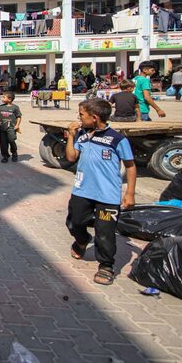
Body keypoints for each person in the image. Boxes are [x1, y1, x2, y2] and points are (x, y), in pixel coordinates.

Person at [65, 99, 136, 286]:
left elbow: (130, 166)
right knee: (75, 222)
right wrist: (71, 136)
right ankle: (82, 240)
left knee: (105, 232)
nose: (78, 118)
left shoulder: (118, 139)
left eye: (81, 115)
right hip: (82, 191)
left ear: (94, 118)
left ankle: (106, 265)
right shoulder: (81, 134)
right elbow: (71, 157)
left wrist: (130, 193)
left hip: (107, 195)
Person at [0, 91, 22, 163]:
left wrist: (17, 125)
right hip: (2, 128)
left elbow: (19, 117)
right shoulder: (0, 107)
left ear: (9, 99)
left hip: (11, 128)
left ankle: (14, 153)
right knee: (3, 143)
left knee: (11, 140)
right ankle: (5, 156)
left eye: (4, 97)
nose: (2, 98)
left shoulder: (15, 108)